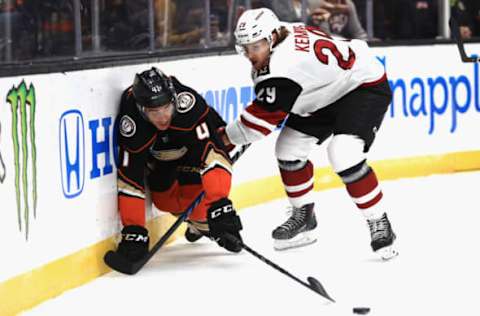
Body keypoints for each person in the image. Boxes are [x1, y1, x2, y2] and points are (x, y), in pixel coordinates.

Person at [218, 8, 397, 260]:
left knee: (343, 153)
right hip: (322, 91)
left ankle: (379, 221)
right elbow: (272, 105)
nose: (250, 54)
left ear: (271, 38)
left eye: (256, 46)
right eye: (245, 47)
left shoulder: (283, 66)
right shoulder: (283, 31)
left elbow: (257, 125)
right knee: (288, 150)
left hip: (361, 86)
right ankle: (304, 218)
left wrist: (222, 139)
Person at [111, 67, 243, 263]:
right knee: (164, 201)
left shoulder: (188, 104)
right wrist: (134, 230)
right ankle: (202, 225)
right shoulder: (132, 122)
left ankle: (204, 223)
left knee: (200, 201)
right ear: (141, 109)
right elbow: (130, 177)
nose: (163, 117)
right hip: (163, 159)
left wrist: (220, 204)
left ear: (174, 100)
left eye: (166, 108)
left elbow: (212, 154)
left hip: (193, 150)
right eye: (154, 112)